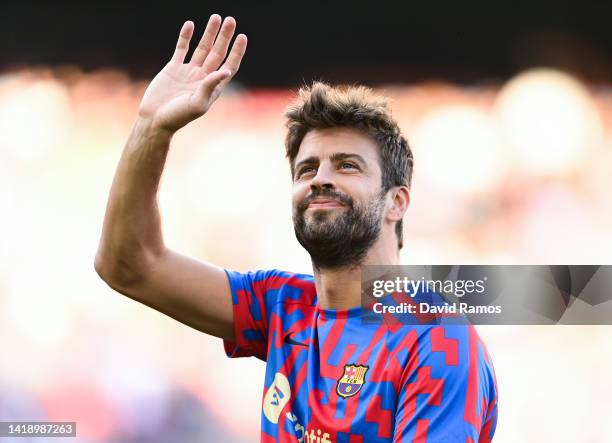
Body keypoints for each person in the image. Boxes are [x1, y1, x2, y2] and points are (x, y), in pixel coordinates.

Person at [95, 14, 498, 442]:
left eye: (347, 165)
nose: (321, 178)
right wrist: (152, 128)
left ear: (396, 202)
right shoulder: (283, 307)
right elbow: (129, 265)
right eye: (307, 169)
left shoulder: (435, 340)